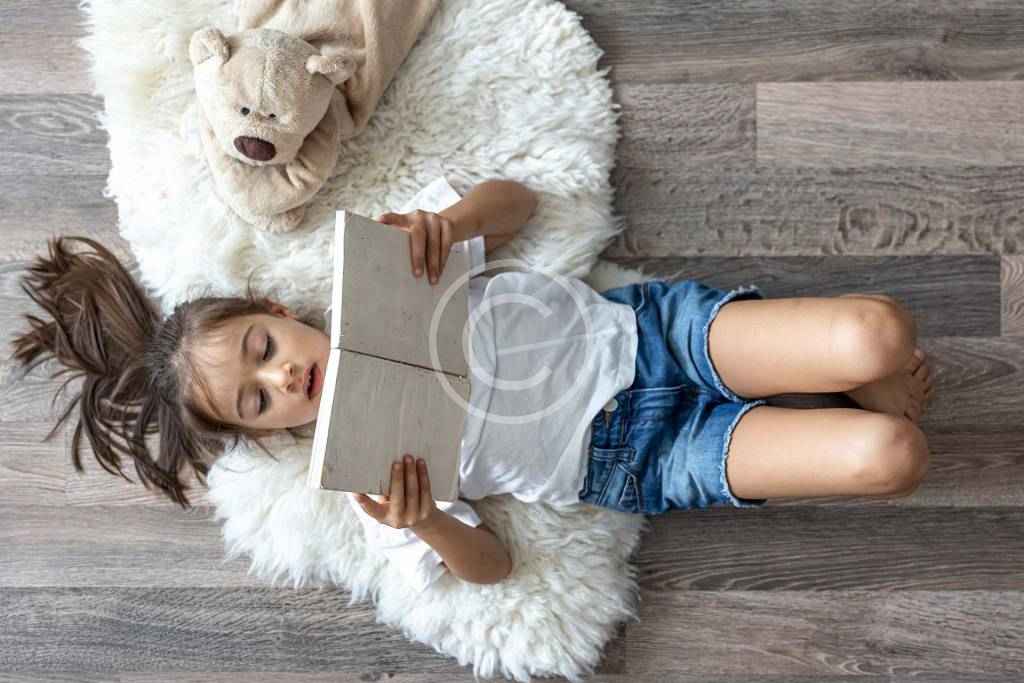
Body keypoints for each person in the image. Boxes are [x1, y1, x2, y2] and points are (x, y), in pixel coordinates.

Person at [11, 177, 932, 590]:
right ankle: (855, 397)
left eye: (262, 345)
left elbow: (522, 203)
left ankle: (855, 373)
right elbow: (493, 568)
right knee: (892, 456)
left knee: (878, 332)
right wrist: (427, 524)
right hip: (640, 456)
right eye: (259, 397)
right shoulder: (373, 481)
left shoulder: (387, 270)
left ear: (277, 309)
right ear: (268, 429)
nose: (281, 373)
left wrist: (449, 224)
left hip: (651, 338)